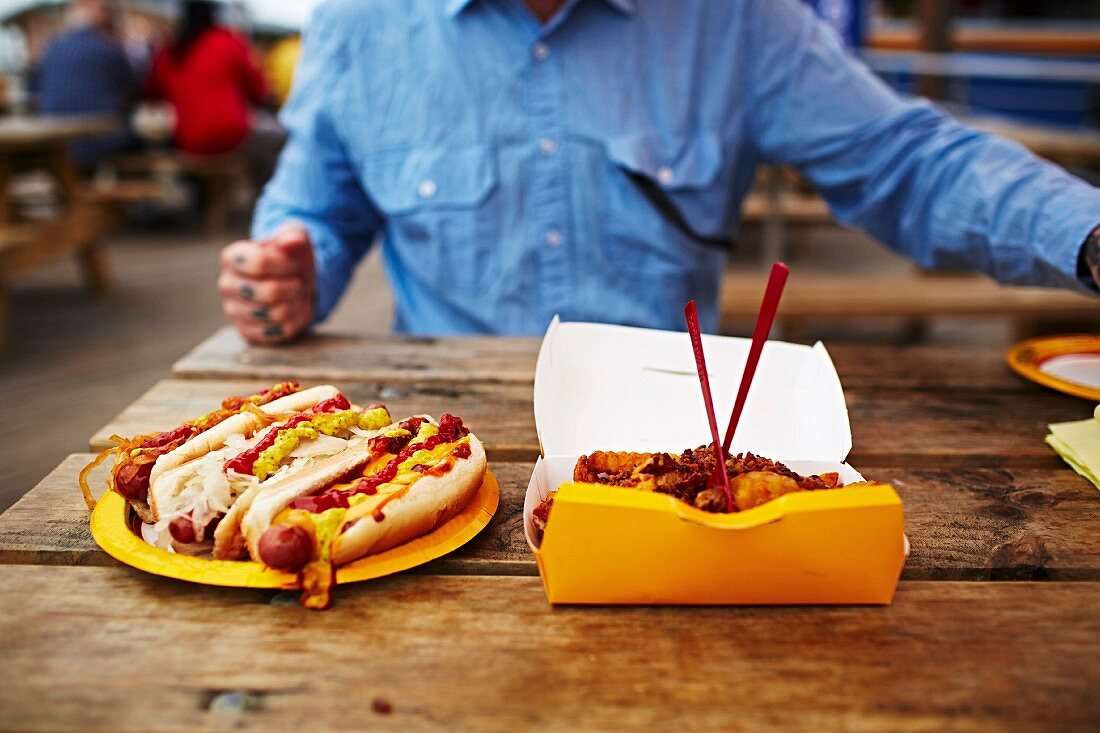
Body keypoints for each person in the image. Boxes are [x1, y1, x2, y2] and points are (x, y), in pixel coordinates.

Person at [218, 0, 1100, 344]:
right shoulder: (359, 25)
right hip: (438, 442)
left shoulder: (738, 20)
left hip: (677, 433)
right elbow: (312, 215)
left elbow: (909, 163)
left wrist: (1084, 234)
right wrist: (291, 274)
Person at [146, 0, 269, 158]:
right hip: (232, 138)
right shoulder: (229, 41)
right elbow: (258, 90)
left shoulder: (170, 51)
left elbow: (152, 93)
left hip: (186, 141)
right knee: (279, 142)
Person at [37, 0, 140, 172]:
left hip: (56, 145)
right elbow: (134, 89)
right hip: (99, 142)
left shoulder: (53, 48)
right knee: (137, 135)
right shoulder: (107, 50)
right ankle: (129, 196)